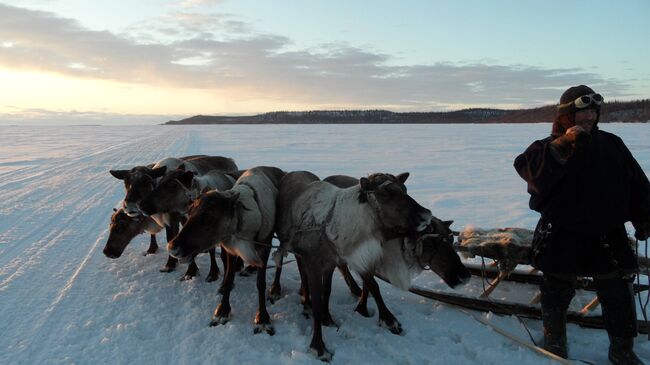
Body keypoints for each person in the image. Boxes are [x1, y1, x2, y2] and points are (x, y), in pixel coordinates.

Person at [514, 85, 650, 364]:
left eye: (592, 111)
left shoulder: (612, 144)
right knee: (555, 290)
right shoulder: (545, 147)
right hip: (562, 231)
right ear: (566, 116)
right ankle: (555, 343)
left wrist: (644, 216)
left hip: (606, 232)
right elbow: (529, 173)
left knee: (618, 292)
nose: (589, 117)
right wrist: (562, 146)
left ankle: (622, 351)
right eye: (582, 112)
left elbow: (638, 184)